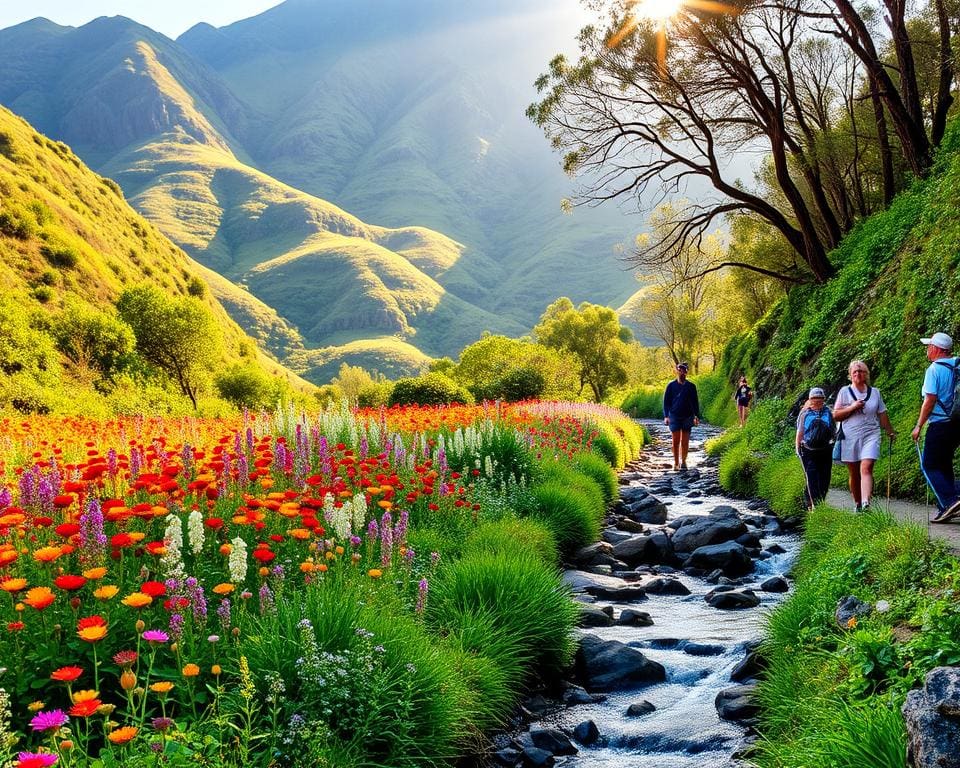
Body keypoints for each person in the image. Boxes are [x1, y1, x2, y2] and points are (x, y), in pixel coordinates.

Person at [833, 360, 895, 512]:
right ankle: (858, 503)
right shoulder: (844, 392)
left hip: (871, 434)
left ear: (866, 374)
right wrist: (852, 407)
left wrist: (889, 430)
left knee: (866, 467)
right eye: (855, 372)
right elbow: (836, 415)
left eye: (861, 371)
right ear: (850, 375)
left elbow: (882, 413)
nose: (858, 374)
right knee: (854, 472)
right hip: (850, 435)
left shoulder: (875, 392)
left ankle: (866, 502)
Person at [912, 332, 960, 523]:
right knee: (944, 464)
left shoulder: (934, 370)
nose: (927, 349)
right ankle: (947, 508)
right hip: (957, 424)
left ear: (937, 349)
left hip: (940, 424)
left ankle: (950, 501)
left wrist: (918, 425)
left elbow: (930, 400)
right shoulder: (958, 366)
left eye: (929, 346)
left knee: (929, 465)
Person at [796, 387, 834, 510]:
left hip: (825, 449)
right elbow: (800, 432)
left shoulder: (828, 412)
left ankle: (820, 501)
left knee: (825, 478)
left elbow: (833, 429)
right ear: (810, 399)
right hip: (807, 450)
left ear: (823, 399)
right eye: (814, 398)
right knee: (811, 476)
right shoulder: (804, 414)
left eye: (819, 398)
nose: (817, 401)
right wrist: (798, 449)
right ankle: (815, 507)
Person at [663, 362, 700, 471]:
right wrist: (666, 416)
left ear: (687, 372)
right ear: (676, 371)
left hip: (688, 416)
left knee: (685, 441)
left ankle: (683, 461)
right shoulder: (670, 386)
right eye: (680, 370)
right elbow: (666, 402)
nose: (682, 372)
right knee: (675, 441)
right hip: (674, 416)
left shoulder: (691, 386)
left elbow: (695, 403)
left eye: (684, 370)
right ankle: (676, 463)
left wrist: (696, 416)